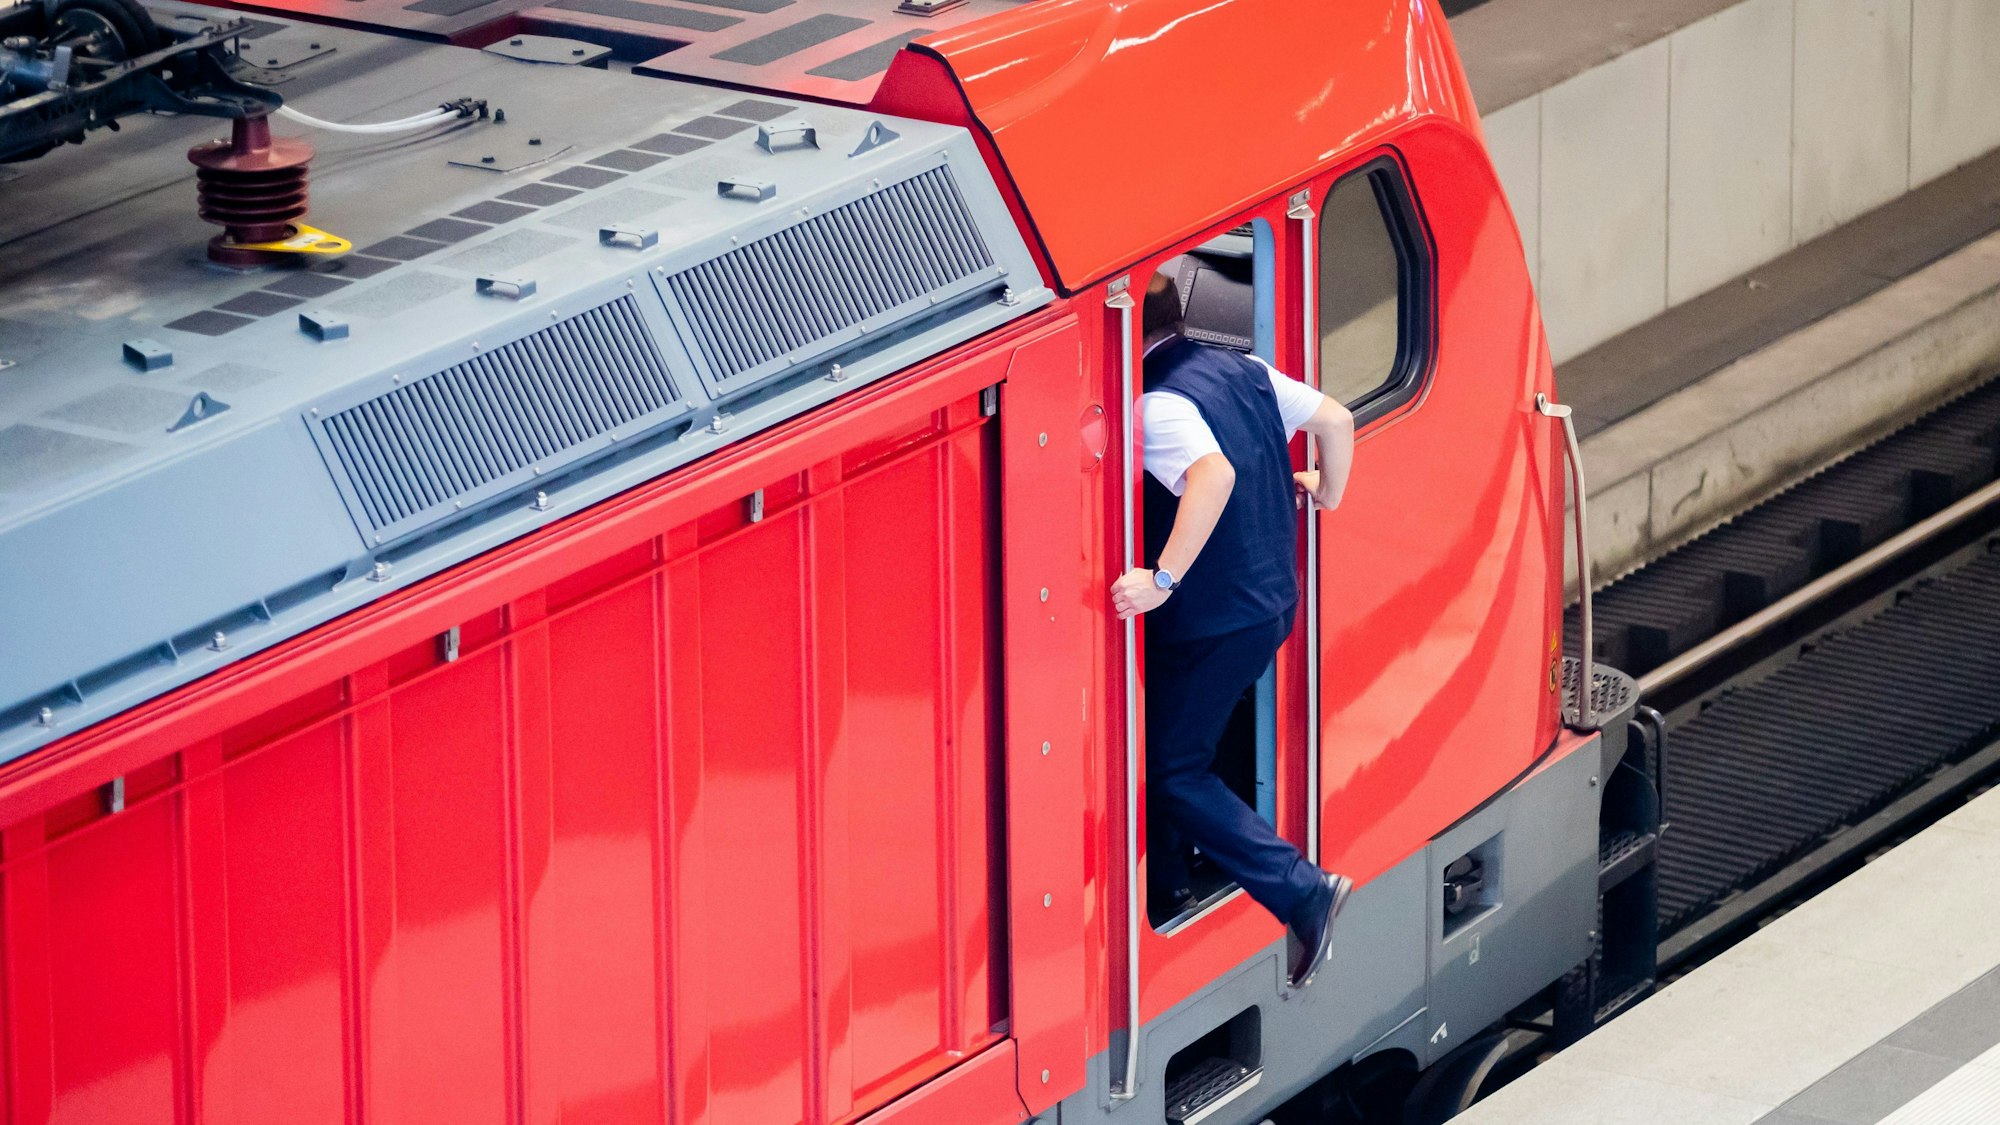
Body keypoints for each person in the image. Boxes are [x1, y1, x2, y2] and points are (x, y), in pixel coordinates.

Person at [1109, 269, 1357, 988]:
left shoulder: (1156, 405)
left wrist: (1159, 580)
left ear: (1127, 331)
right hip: (1274, 600)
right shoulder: (1241, 368)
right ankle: (1178, 879)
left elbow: (1211, 476)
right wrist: (1327, 493)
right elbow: (1336, 422)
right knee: (1179, 737)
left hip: (1215, 618)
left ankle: (1302, 889)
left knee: (1172, 768)